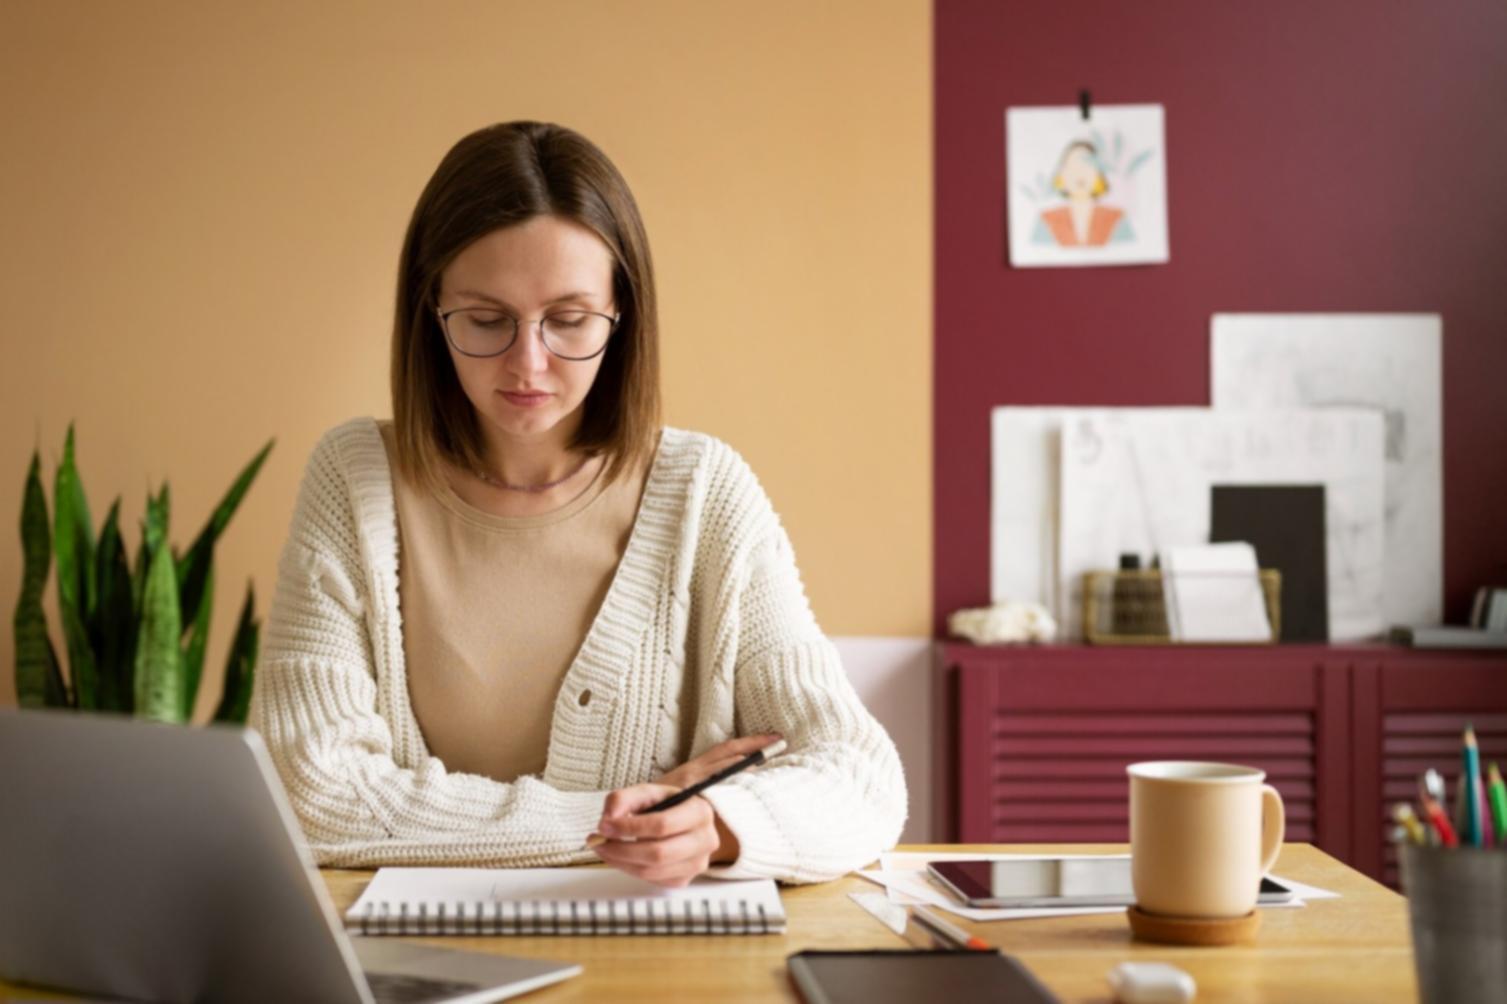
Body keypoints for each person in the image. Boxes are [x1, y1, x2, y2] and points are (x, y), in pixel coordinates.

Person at [249, 121, 907, 887]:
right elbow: (311, 794)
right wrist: (624, 815)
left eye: (568, 321)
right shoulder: (354, 481)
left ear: (622, 317)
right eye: (486, 320)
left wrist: (718, 827)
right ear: (431, 316)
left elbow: (858, 775)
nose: (528, 363)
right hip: (417, 957)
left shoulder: (704, 491)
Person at [1032, 140, 1135, 247]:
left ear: (1099, 174)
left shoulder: (1117, 218)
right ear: (1062, 174)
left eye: (1087, 166)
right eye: (1073, 167)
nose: (1080, 173)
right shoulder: (1047, 219)